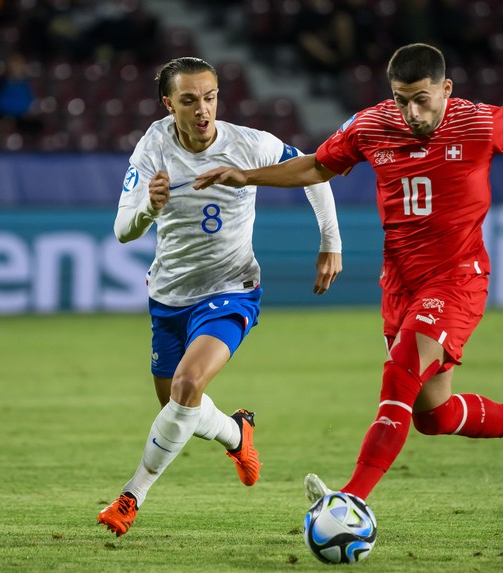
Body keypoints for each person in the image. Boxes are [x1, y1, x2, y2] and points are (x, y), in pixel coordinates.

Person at [194, 43, 503, 507]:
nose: (411, 112)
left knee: (399, 374)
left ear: (446, 89)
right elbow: (318, 165)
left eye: (422, 99)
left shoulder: (481, 123)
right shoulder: (371, 126)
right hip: (399, 282)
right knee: (432, 414)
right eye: (400, 99)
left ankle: (351, 501)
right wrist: (247, 175)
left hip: (457, 278)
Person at [97, 57, 343, 537]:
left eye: (209, 97)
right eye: (189, 100)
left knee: (188, 387)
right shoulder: (153, 147)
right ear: (169, 104)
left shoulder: (249, 143)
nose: (202, 109)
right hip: (169, 297)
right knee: (178, 406)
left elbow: (316, 170)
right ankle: (238, 433)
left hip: (232, 289)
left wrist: (330, 243)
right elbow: (122, 230)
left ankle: (130, 498)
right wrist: (149, 205)